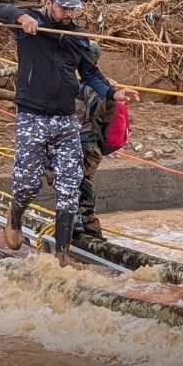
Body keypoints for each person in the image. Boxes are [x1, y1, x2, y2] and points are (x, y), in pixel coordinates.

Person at [0, 0, 138, 262]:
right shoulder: (31, 23)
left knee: (69, 187)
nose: (69, 13)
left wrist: (113, 93)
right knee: (28, 184)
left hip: (65, 118)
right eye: (64, 8)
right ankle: (15, 217)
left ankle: (62, 255)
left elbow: (90, 73)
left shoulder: (77, 36)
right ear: (49, 3)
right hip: (32, 116)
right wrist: (22, 18)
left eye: (73, 8)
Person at [73, 40, 118, 239]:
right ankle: (82, 231)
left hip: (86, 144)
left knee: (81, 189)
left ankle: (90, 235)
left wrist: (110, 97)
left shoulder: (97, 86)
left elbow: (104, 114)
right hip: (76, 143)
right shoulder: (79, 82)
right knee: (76, 187)